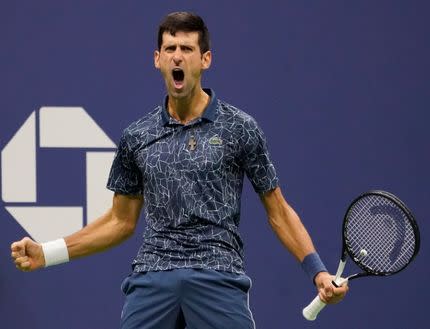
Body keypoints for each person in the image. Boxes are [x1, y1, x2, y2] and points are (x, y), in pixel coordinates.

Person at [11, 11, 348, 329]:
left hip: (217, 274)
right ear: (157, 58)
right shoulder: (137, 136)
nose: (177, 56)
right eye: (170, 48)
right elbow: (119, 221)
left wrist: (317, 271)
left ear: (205, 59)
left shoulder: (240, 128)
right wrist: (47, 253)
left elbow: (278, 211)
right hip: (153, 276)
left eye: (187, 48)